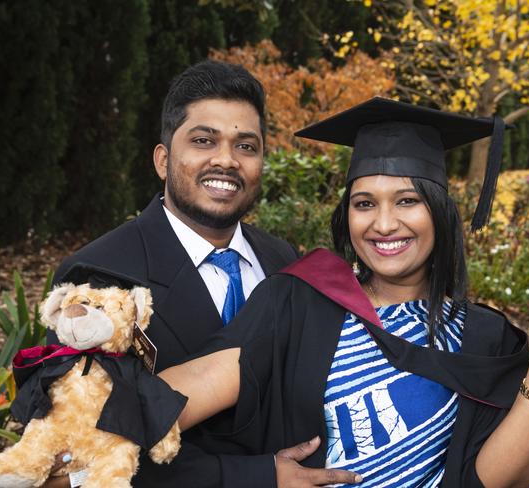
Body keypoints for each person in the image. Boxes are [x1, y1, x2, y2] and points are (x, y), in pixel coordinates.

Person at [159, 97, 529, 487]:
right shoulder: (301, 300)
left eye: (408, 201)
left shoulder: (482, 336)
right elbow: (185, 393)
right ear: (347, 216)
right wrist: (94, 378)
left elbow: (490, 480)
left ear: (439, 212)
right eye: (364, 203)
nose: (384, 223)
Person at [49, 60, 358, 488]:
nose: (226, 161)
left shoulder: (284, 261)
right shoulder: (98, 278)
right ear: (163, 159)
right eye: (203, 140)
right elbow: (77, 460)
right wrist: (259, 476)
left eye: (246, 146)